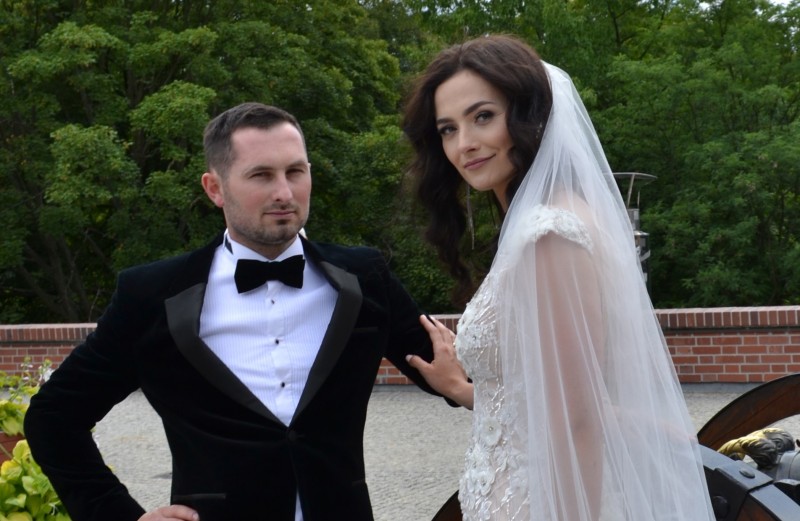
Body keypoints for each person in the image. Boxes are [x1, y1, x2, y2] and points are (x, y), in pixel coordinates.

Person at [23, 102, 447, 521]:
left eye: (295, 172)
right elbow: (53, 418)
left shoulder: (364, 277)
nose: (284, 193)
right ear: (215, 188)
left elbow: (455, 376)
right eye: (261, 175)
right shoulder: (152, 296)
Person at [403, 35, 716, 520]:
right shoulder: (549, 223)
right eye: (448, 129)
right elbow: (543, 400)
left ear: (528, 116)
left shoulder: (548, 233)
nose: (464, 144)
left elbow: (579, 422)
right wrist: (462, 389)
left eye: (482, 116)